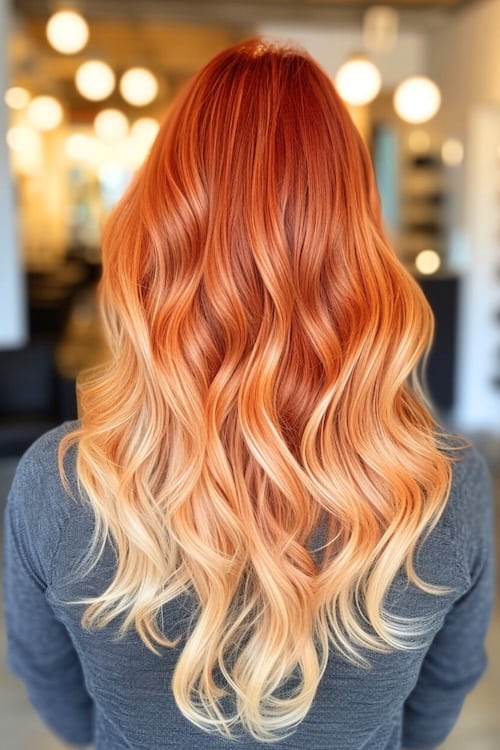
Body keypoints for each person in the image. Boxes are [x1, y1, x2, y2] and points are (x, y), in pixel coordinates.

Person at [3, 37, 495, 750]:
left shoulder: (57, 484)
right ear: (359, 240)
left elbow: (51, 684)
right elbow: (438, 699)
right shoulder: (446, 488)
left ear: (158, 229)